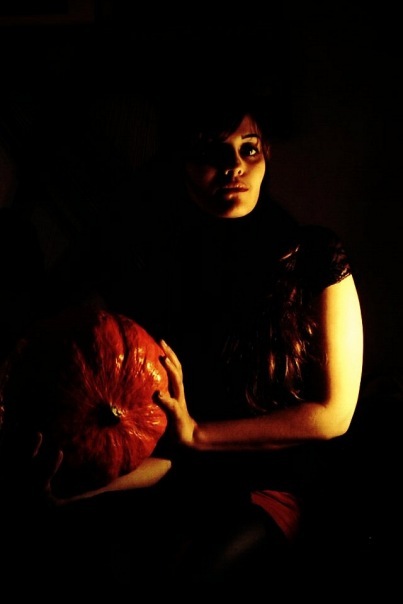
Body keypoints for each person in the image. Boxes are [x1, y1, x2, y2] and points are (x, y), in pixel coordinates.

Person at [9, 91, 364, 594]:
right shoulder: (155, 266)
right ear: (180, 162)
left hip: (273, 482)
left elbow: (333, 415)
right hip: (178, 473)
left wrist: (198, 434)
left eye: (248, 149)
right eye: (210, 152)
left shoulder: (315, 256)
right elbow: (157, 435)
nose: (233, 167)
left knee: (191, 579)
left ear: (266, 155)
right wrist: (73, 492)